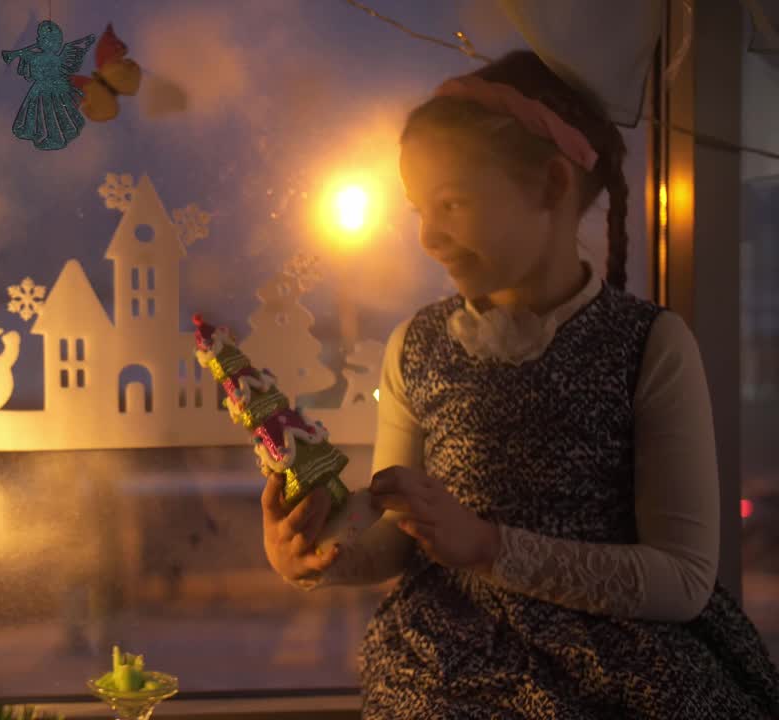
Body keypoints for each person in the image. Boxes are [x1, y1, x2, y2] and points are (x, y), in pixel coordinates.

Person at [259, 50, 779, 718]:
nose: (428, 237)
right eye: (418, 207)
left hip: (624, 670)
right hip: (446, 664)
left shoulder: (650, 346)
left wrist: (487, 547)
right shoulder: (414, 347)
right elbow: (395, 533)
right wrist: (316, 555)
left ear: (553, 186)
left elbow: (681, 580)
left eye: (451, 203)